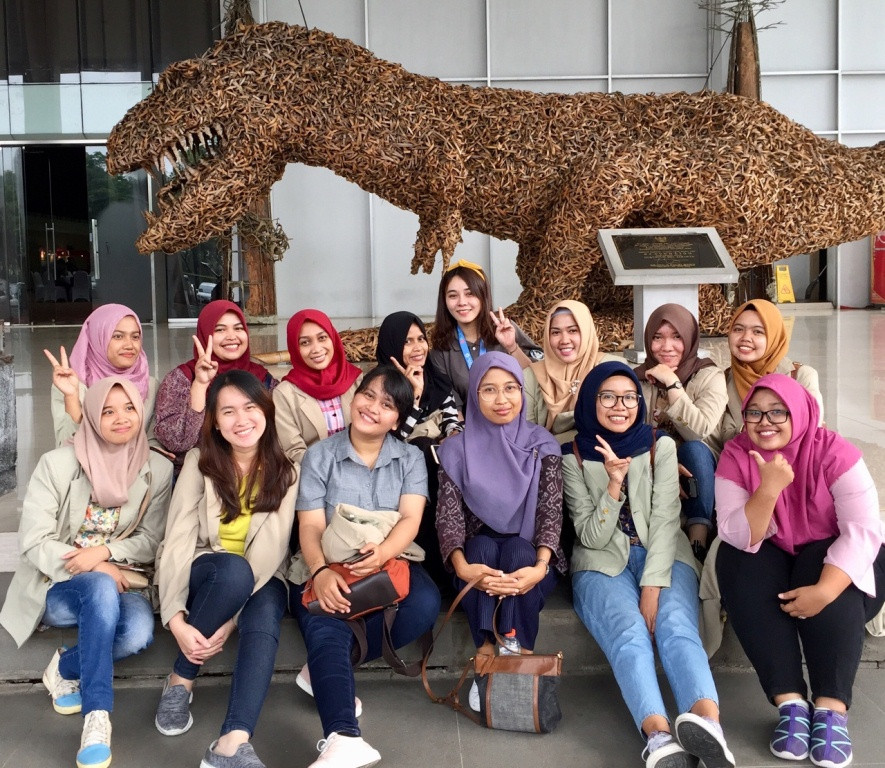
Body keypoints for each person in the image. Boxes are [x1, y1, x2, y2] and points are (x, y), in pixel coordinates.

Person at [563, 361, 734, 768]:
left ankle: (709, 724)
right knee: (629, 633)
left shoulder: (660, 445)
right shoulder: (573, 455)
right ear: (591, 401)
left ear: (639, 403)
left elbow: (665, 519)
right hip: (602, 564)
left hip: (665, 552)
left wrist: (652, 586)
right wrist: (613, 485)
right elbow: (590, 536)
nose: (619, 406)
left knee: (675, 625)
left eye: (628, 398)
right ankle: (658, 737)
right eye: (607, 397)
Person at [0, 377, 172, 768]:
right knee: (97, 587)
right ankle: (97, 717)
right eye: (107, 411)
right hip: (59, 584)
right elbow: (34, 539)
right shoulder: (58, 463)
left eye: (129, 408)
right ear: (92, 416)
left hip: (123, 579)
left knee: (137, 633)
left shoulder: (157, 468)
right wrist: (93, 564)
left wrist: (106, 553)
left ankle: (64, 666)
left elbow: (151, 538)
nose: (121, 418)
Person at [715, 373, 884, 768]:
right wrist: (769, 488)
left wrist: (824, 591)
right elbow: (738, 533)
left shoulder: (834, 451)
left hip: (842, 563)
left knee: (817, 559)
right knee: (735, 558)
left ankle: (831, 709)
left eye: (778, 412)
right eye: (754, 412)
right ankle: (791, 705)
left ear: (800, 413)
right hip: (773, 557)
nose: (764, 422)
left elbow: (863, 531)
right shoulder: (737, 455)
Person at [290, 365, 441, 768]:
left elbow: (411, 518)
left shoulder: (409, 458)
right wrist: (320, 571)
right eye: (368, 395)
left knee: (425, 603)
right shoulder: (321, 455)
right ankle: (343, 736)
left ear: (397, 418)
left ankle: (323, 669)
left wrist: (384, 551)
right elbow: (310, 525)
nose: (372, 407)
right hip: (328, 564)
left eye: (387, 404)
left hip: (388, 561)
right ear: (354, 397)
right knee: (325, 619)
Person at [154, 369, 297, 768]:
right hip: (207, 569)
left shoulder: (288, 470)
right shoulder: (199, 462)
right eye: (228, 411)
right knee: (232, 571)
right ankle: (181, 678)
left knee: (264, 612)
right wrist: (175, 619)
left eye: (250, 408)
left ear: (266, 412)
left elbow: (269, 551)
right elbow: (178, 538)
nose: (241, 420)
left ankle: (231, 744)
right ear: (215, 421)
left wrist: (232, 620)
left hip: (264, 574)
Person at [436, 351, 564, 711]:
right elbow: (448, 517)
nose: (501, 399)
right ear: (474, 396)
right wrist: (462, 567)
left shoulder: (542, 444)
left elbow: (550, 512)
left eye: (510, 388)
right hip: (474, 562)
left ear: (522, 392)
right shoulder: (455, 450)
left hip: (532, 559)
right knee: (481, 549)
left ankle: (514, 649)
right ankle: (486, 653)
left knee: (518, 552)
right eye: (489, 390)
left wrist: (540, 567)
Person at [375, 310, 463, 588]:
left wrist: (453, 435)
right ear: (392, 345)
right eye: (407, 341)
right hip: (396, 471)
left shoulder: (436, 377)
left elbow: (451, 419)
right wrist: (412, 396)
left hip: (438, 468)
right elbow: (391, 439)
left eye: (420, 339)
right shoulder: (380, 386)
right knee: (421, 449)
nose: (417, 348)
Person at [634, 303, 727, 561]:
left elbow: (698, 431)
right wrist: (661, 458)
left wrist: (673, 384)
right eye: (658, 337)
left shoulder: (710, 376)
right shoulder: (637, 379)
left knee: (694, 450)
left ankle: (699, 542)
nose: (667, 347)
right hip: (652, 460)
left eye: (677, 337)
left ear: (690, 337)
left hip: (699, 468)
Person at [154, 300, 276, 470]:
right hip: (199, 471)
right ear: (205, 334)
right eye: (220, 330)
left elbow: (277, 433)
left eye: (238, 328)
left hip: (257, 468)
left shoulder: (262, 378)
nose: (232, 336)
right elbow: (176, 442)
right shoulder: (181, 379)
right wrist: (200, 384)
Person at [709, 298, 822, 454]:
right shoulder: (724, 380)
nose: (745, 337)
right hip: (739, 463)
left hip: (792, 463)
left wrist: (748, 430)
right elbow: (720, 438)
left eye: (758, 332)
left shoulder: (800, 376)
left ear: (774, 336)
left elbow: (811, 429)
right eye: (738, 329)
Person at [429, 259, 541, 408]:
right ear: (444, 301)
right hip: (468, 421)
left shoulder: (505, 329)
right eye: (453, 295)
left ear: (483, 296)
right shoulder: (441, 347)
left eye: (470, 294)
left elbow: (537, 380)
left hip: (515, 418)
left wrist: (512, 347)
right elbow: (452, 405)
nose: (462, 302)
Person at [44, 303, 159, 447]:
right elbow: (65, 443)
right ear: (97, 337)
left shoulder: (150, 384)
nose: (129, 345)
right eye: (118, 336)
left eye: (135, 337)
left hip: (136, 459)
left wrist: (154, 450)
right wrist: (72, 397)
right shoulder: (72, 385)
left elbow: (152, 438)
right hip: (86, 459)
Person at [273, 309, 363, 468]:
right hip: (315, 473)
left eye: (322, 338)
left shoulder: (357, 380)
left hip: (362, 467)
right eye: (305, 342)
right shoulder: (284, 394)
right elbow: (293, 450)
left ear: (333, 338)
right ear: (295, 348)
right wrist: (332, 472)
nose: (316, 349)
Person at [524, 299, 618, 444]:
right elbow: (526, 433)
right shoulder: (531, 376)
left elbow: (620, 426)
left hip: (602, 454)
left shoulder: (610, 369)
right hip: (545, 455)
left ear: (586, 332)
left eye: (573, 330)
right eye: (556, 332)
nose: (564, 340)